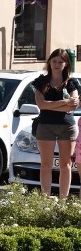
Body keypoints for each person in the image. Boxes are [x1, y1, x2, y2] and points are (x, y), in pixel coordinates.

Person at [32, 49, 79, 198]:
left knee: (66, 166)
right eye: (54, 61)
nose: (57, 64)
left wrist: (51, 104)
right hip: (46, 125)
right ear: (49, 62)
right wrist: (64, 103)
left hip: (67, 126)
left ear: (66, 64)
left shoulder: (71, 82)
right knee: (46, 165)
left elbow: (73, 106)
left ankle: (63, 200)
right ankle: (45, 200)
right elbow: (41, 105)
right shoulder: (41, 82)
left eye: (60, 62)